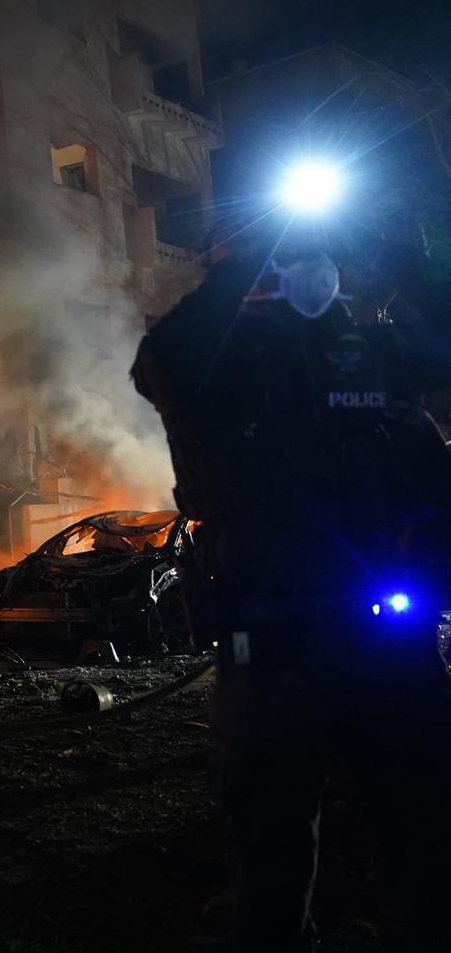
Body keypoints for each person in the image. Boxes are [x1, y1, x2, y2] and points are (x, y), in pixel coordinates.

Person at [131, 215, 451, 951]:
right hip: (272, 641)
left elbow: (438, 343)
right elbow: (164, 358)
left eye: (316, 255)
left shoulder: (365, 358)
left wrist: (399, 254)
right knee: (272, 847)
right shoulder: (216, 368)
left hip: (384, 639)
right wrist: (252, 253)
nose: (306, 269)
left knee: (425, 831)